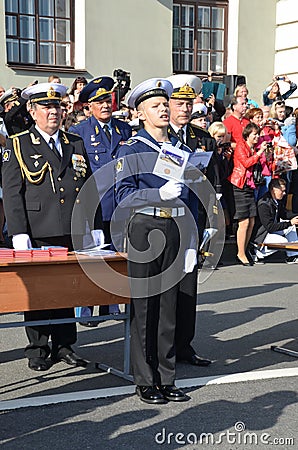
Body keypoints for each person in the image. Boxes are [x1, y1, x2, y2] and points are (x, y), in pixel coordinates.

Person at [1, 82, 102, 371]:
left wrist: (94, 228)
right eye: (45, 107)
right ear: (32, 112)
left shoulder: (74, 142)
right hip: (37, 228)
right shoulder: (19, 143)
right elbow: (12, 193)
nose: (53, 112)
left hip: (70, 227)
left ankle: (64, 344)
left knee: (66, 289)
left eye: (57, 106)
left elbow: (89, 188)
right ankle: (38, 347)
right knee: (38, 292)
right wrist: (19, 233)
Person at [115, 77, 200, 404]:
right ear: (140, 113)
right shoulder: (132, 148)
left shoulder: (179, 149)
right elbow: (121, 194)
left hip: (176, 230)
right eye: (156, 106)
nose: (164, 109)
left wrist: (192, 238)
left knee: (168, 308)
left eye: (165, 104)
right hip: (144, 230)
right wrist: (155, 194)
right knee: (145, 307)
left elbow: (191, 197)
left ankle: (167, 377)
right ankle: (145, 379)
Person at [69, 76, 132, 325]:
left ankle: (111, 305)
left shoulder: (123, 129)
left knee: (115, 258)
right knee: (92, 259)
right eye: (99, 102)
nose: (105, 105)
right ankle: (85, 310)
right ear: (88, 107)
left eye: (108, 100)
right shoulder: (79, 132)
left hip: (119, 205)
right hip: (94, 205)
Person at [166, 74, 212, 367]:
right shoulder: (159, 137)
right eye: (179, 103)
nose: (185, 109)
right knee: (165, 290)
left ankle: (184, 344)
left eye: (188, 103)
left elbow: (208, 185)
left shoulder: (200, 138)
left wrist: (207, 223)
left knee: (188, 287)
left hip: (192, 219)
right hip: (165, 222)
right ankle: (164, 348)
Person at [228, 123, 267, 266]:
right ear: (247, 135)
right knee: (243, 222)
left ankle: (244, 249)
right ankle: (240, 253)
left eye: (258, 134)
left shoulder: (254, 147)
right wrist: (258, 153)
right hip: (239, 185)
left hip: (250, 186)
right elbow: (245, 163)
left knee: (251, 221)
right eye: (254, 135)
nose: (257, 137)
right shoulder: (240, 146)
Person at [252, 178, 298, 264]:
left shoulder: (276, 201)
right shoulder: (264, 204)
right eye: (282, 191)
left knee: (292, 227)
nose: (284, 193)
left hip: (270, 231)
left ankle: (292, 255)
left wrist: (295, 217)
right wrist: (290, 222)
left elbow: (285, 214)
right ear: (274, 190)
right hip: (262, 235)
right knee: (283, 242)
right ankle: (258, 253)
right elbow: (270, 227)